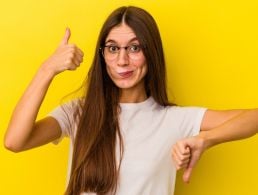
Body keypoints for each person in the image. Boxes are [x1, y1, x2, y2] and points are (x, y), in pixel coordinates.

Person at [4, 5, 257, 195]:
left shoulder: (174, 119)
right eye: (113, 48)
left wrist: (205, 139)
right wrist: (47, 69)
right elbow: (15, 141)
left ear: (151, 52)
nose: (122, 60)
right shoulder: (79, 113)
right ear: (103, 56)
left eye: (134, 48)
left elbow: (253, 118)